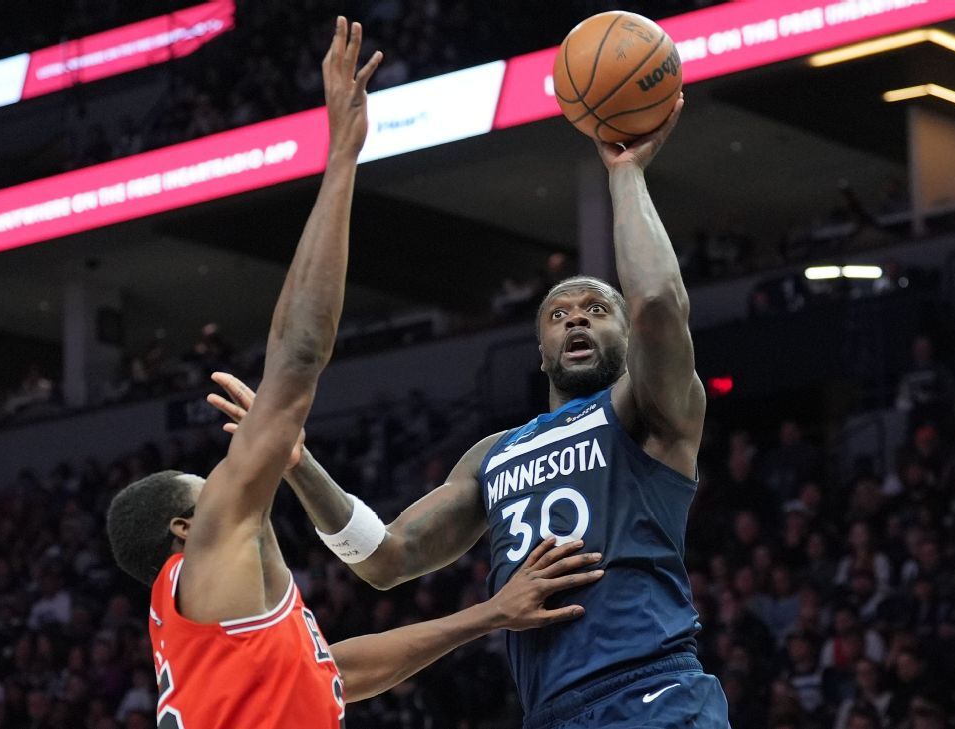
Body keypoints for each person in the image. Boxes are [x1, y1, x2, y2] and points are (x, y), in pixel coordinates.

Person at [104, 21, 602, 729]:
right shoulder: (214, 544)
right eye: (207, 486)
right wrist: (341, 155)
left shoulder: (210, 624)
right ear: (187, 526)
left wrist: (489, 614)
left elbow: (336, 671)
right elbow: (298, 356)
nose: (229, 477)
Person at [210, 93, 731, 728]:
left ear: (627, 339)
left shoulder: (646, 410)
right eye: (559, 314)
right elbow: (385, 557)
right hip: (552, 712)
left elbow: (656, 304)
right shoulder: (493, 454)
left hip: (651, 689)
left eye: (597, 311)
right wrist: (298, 463)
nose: (576, 320)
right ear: (540, 350)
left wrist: (625, 174)